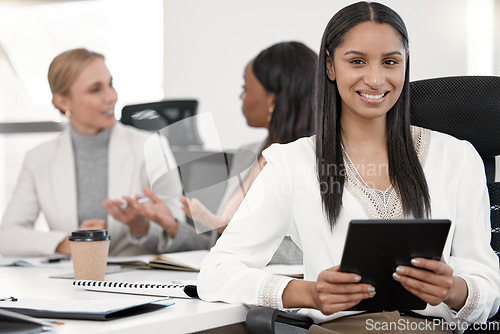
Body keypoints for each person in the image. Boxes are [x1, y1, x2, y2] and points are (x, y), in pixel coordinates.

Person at [197, 2, 500, 333]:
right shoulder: (293, 162)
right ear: (330, 66)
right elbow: (217, 272)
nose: (375, 79)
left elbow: (488, 286)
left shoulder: (456, 157)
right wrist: (307, 293)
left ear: (405, 64)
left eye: (390, 62)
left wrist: (455, 290)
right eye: (357, 61)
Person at [0, 48, 210, 257]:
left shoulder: (152, 147)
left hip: (135, 281)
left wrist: (141, 228)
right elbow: (7, 236)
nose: (112, 97)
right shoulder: (39, 158)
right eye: (95, 89)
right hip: (70, 280)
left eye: (111, 84)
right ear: (63, 102)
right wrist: (68, 242)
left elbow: (180, 236)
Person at [179, 41, 317, 265]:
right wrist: (171, 227)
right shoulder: (248, 154)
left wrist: (229, 229)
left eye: (246, 89)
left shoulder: (315, 159)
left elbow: (308, 253)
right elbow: (219, 245)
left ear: (272, 99)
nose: (241, 98)